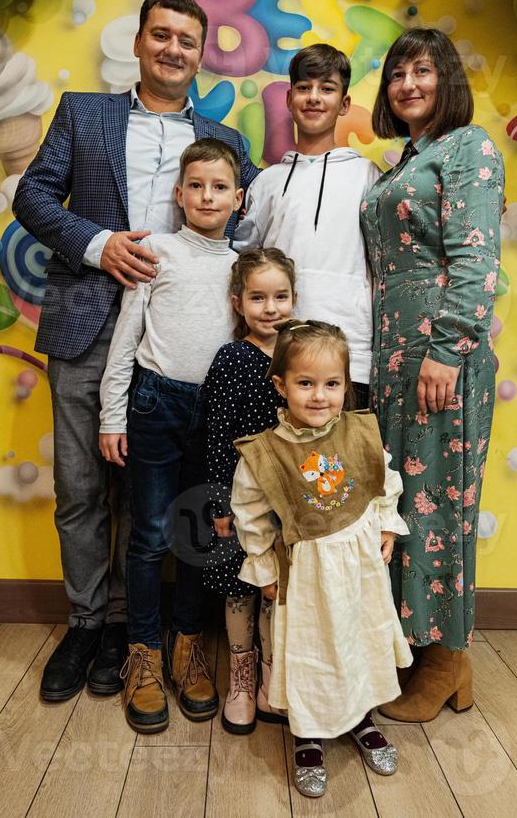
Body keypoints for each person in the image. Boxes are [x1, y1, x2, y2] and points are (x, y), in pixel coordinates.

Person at [13, 0, 260, 704]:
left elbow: (233, 247)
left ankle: (142, 633)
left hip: (179, 349)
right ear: (141, 42)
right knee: (82, 487)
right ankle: (91, 625)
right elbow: (32, 197)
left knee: (161, 498)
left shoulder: (224, 140)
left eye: (188, 39)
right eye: (162, 35)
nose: (174, 49)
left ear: (201, 51)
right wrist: (97, 245)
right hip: (89, 322)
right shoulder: (83, 114)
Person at [360, 28, 503, 722]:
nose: (408, 84)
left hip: (440, 359)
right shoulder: (401, 163)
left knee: (440, 504)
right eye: (396, 74)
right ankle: (421, 653)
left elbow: (477, 259)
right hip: (396, 362)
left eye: (422, 71)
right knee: (405, 502)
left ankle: (446, 661)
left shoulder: (469, 148)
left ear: (447, 79)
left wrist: (447, 350)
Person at [98, 138, 244, 733]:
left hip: (216, 414)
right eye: (196, 186)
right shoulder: (155, 251)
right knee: (150, 535)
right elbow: (126, 338)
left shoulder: (242, 263)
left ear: (238, 198)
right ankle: (143, 656)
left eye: (220, 187)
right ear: (179, 194)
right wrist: (113, 413)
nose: (207, 196)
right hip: (156, 404)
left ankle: (187, 646)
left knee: (195, 535)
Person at [231, 321, 412, 798]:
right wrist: (264, 568)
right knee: (311, 650)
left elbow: (384, 481)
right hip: (307, 574)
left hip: (359, 568)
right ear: (281, 385)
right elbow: (249, 513)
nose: (319, 396)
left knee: (360, 641)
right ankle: (308, 734)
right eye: (305, 383)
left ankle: (363, 718)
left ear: (345, 386)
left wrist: (389, 523)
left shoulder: (359, 432)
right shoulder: (266, 452)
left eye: (331, 384)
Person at [232, 44, 383, 407]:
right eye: (304, 87)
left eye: (327, 88)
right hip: (277, 358)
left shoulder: (370, 178)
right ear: (289, 98)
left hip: (349, 361)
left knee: (338, 465)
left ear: (344, 104)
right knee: (272, 463)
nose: (314, 97)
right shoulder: (266, 183)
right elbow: (245, 262)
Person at [194, 248, 297, 734]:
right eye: (258, 297)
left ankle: (272, 681)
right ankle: (240, 676)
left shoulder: (301, 354)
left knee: (279, 590)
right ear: (239, 303)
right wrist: (220, 504)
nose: (270, 308)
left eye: (280, 296)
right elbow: (215, 433)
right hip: (240, 502)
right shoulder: (232, 358)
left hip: (290, 502)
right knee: (241, 588)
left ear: (295, 299)